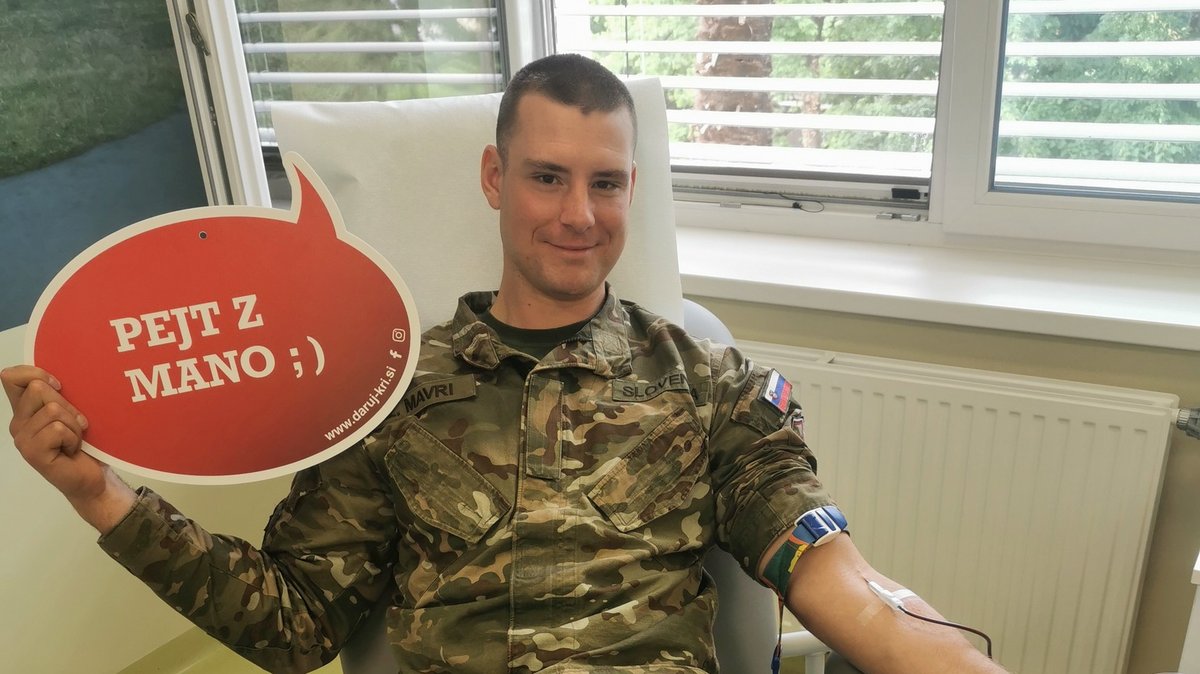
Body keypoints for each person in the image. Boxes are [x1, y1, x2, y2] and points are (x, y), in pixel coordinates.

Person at [2, 54, 1006, 674]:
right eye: (547, 177)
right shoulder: (389, 392)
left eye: (604, 183)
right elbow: (295, 624)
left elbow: (833, 569)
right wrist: (101, 495)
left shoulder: (705, 381)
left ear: (632, 189)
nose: (578, 215)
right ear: (496, 177)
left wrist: (951, 661)